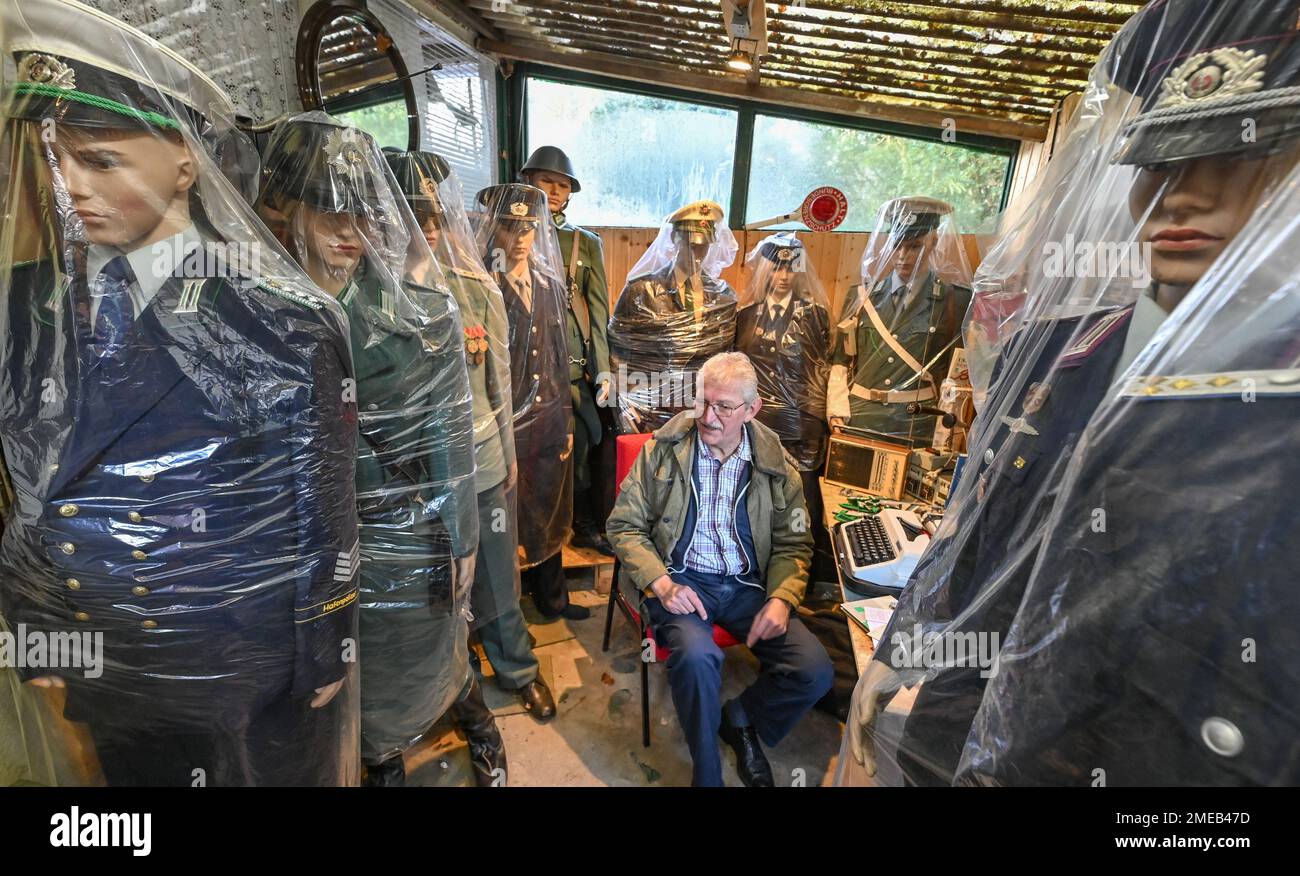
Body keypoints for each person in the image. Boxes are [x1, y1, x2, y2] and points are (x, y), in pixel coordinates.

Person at [842, 0, 1300, 786]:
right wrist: (906, 646)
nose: (1183, 197)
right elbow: (986, 531)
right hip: (966, 727)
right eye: (1160, 165)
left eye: (1236, 159)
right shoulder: (1061, 349)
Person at [0, 0, 359, 786]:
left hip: (246, 672)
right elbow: (28, 485)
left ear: (186, 161)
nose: (69, 188)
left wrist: (327, 650)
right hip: (102, 659)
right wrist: (36, 633)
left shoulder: (280, 318)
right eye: (53, 157)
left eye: (99, 159)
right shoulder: (27, 307)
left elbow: (322, 507)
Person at [256, 115, 491, 787]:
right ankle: (380, 757)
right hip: (307, 551)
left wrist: (464, 537)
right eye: (329, 212)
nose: (348, 233)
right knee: (345, 672)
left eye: (361, 214)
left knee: (429, 650)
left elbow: (449, 434)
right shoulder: (259, 315)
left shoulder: (421, 316)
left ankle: (472, 718)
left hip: (409, 529)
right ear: (286, 211)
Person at [607, 352, 834, 787]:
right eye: (702, 402)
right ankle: (706, 770)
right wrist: (661, 582)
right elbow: (623, 525)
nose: (708, 417)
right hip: (682, 581)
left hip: (749, 585)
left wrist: (783, 597)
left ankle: (741, 716)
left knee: (814, 670)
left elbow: (793, 541)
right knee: (697, 657)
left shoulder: (776, 465)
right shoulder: (663, 452)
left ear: (752, 410)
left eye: (724, 407)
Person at [383, 146, 531, 767]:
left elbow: (498, 377)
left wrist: (512, 454)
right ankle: (443, 686)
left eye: (434, 215)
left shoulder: (474, 288)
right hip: (403, 480)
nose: (427, 229)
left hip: (479, 461)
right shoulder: (366, 295)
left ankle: (518, 669)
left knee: (497, 573)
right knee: (423, 590)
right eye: (414, 215)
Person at [475, 183, 584, 633]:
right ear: (493, 228)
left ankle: (552, 598)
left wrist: (568, 419)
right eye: (511, 226)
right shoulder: (481, 283)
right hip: (503, 424)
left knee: (549, 505)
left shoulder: (547, 282)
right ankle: (505, 615)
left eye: (529, 227)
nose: (521, 237)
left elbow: (558, 356)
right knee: (503, 519)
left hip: (548, 419)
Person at [519, 146, 613, 558]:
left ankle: (581, 523)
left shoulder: (584, 243)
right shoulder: (511, 231)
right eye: (546, 182)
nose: (554, 191)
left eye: (562, 185)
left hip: (572, 369)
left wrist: (604, 370)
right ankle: (536, 529)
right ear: (528, 182)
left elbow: (598, 310)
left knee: (584, 447)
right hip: (526, 368)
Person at [827, 198, 972, 448]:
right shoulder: (862, 297)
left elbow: (956, 373)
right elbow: (841, 360)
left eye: (914, 246)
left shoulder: (954, 301)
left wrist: (944, 431)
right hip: (862, 418)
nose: (903, 257)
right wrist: (836, 408)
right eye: (897, 246)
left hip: (917, 423)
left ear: (933, 242)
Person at [734, 233, 831, 574]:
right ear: (765, 270)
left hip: (802, 428)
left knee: (800, 506)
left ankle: (799, 575)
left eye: (791, 268)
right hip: (758, 424)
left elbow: (823, 371)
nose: (784, 275)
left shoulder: (815, 316)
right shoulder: (745, 317)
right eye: (777, 267)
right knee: (756, 499)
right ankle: (754, 569)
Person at [608, 200, 739, 433]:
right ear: (674, 239)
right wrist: (626, 404)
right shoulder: (641, 291)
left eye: (702, 246)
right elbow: (618, 353)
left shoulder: (722, 298)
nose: (696, 253)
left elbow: (726, 357)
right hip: (649, 409)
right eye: (689, 243)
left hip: (702, 411)